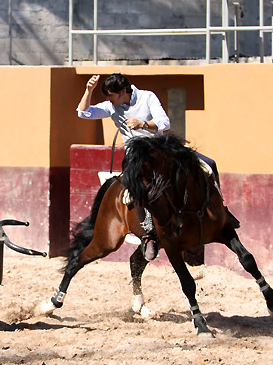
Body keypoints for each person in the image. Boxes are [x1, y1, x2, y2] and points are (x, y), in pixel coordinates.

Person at [76, 73, 232, 261]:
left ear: (123, 92)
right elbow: (83, 113)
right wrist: (88, 90)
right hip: (136, 155)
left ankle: (220, 209)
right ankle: (149, 235)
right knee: (138, 187)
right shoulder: (111, 106)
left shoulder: (147, 97)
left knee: (209, 164)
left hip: (161, 149)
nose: (108, 100)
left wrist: (143, 124)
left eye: (111, 96)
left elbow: (164, 123)